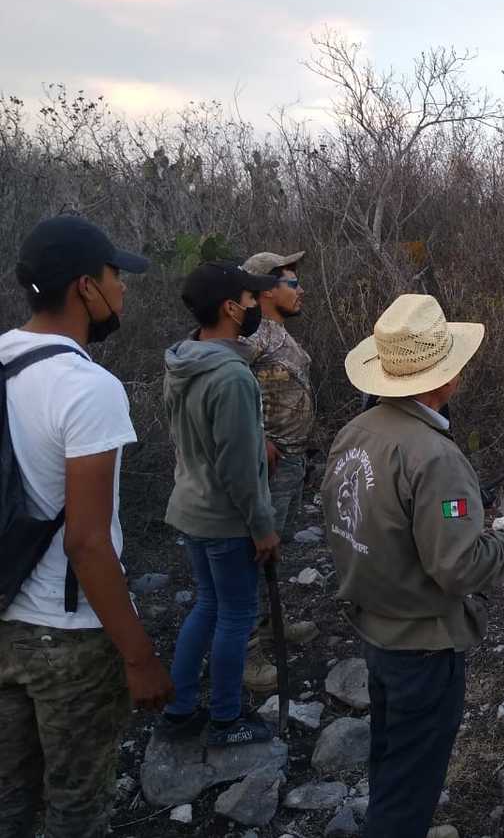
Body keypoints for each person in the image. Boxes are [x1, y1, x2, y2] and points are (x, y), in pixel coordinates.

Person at [322, 294, 504, 838]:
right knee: (408, 798)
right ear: (443, 376)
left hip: (376, 631)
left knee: (392, 764)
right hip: (423, 648)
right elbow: (459, 570)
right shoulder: (434, 456)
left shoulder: (354, 434)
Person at [0, 215, 173, 837]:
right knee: (76, 805)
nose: (122, 289)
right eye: (114, 275)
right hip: (66, 634)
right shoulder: (86, 387)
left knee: (9, 799)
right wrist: (139, 656)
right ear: (85, 288)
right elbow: (87, 541)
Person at [159, 261, 282, 746]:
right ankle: (227, 720)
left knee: (207, 605)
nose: (255, 306)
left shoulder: (184, 360)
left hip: (191, 505)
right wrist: (262, 526)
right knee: (235, 613)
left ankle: (179, 709)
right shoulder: (230, 375)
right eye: (250, 300)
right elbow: (237, 468)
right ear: (231, 308)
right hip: (224, 517)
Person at [240, 250, 319, 692]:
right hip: (267, 462)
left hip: (292, 458)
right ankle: (248, 650)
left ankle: (273, 623)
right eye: (291, 282)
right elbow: (225, 388)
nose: (300, 288)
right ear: (267, 290)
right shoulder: (250, 337)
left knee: (277, 547)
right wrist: (258, 438)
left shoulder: (279, 333)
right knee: (253, 551)